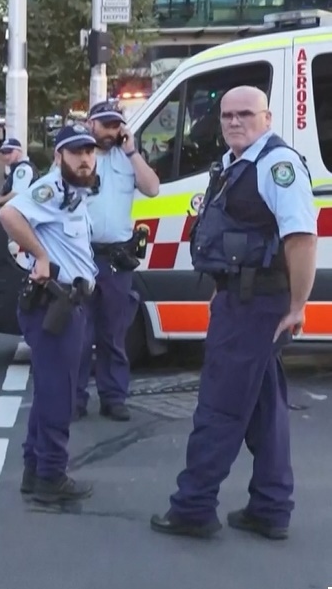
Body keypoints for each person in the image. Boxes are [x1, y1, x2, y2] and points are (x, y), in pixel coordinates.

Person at [151, 86, 317, 540]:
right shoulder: (236, 164)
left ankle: (193, 507)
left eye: (245, 113)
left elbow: (301, 238)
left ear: (267, 116)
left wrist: (298, 306)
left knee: (219, 406)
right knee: (264, 408)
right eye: (226, 115)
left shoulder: (275, 167)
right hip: (241, 299)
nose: (234, 122)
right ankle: (270, 507)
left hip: (256, 305)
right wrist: (223, 286)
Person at [0, 124, 99, 504]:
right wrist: (41, 256)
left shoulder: (75, 193)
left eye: (89, 151)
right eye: (76, 152)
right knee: (59, 395)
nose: (85, 158)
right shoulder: (52, 188)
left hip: (67, 302)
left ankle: (35, 469)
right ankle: (52, 477)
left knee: (48, 392)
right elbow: (9, 215)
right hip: (55, 304)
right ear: (59, 157)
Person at [75, 101, 161, 421]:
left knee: (114, 333)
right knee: (80, 334)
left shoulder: (127, 160)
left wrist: (132, 152)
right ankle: (75, 398)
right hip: (81, 256)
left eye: (115, 125)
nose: (110, 131)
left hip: (115, 258)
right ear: (90, 124)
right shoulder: (78, 157)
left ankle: (113, 397)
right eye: (104, 124)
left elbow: (152, 188)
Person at [0, 138, 38, 208]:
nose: (5, 156)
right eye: (3, 153)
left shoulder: (23, 169)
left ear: (19, 152)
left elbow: (17, 194)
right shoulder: (17, 168)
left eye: (9, 152)